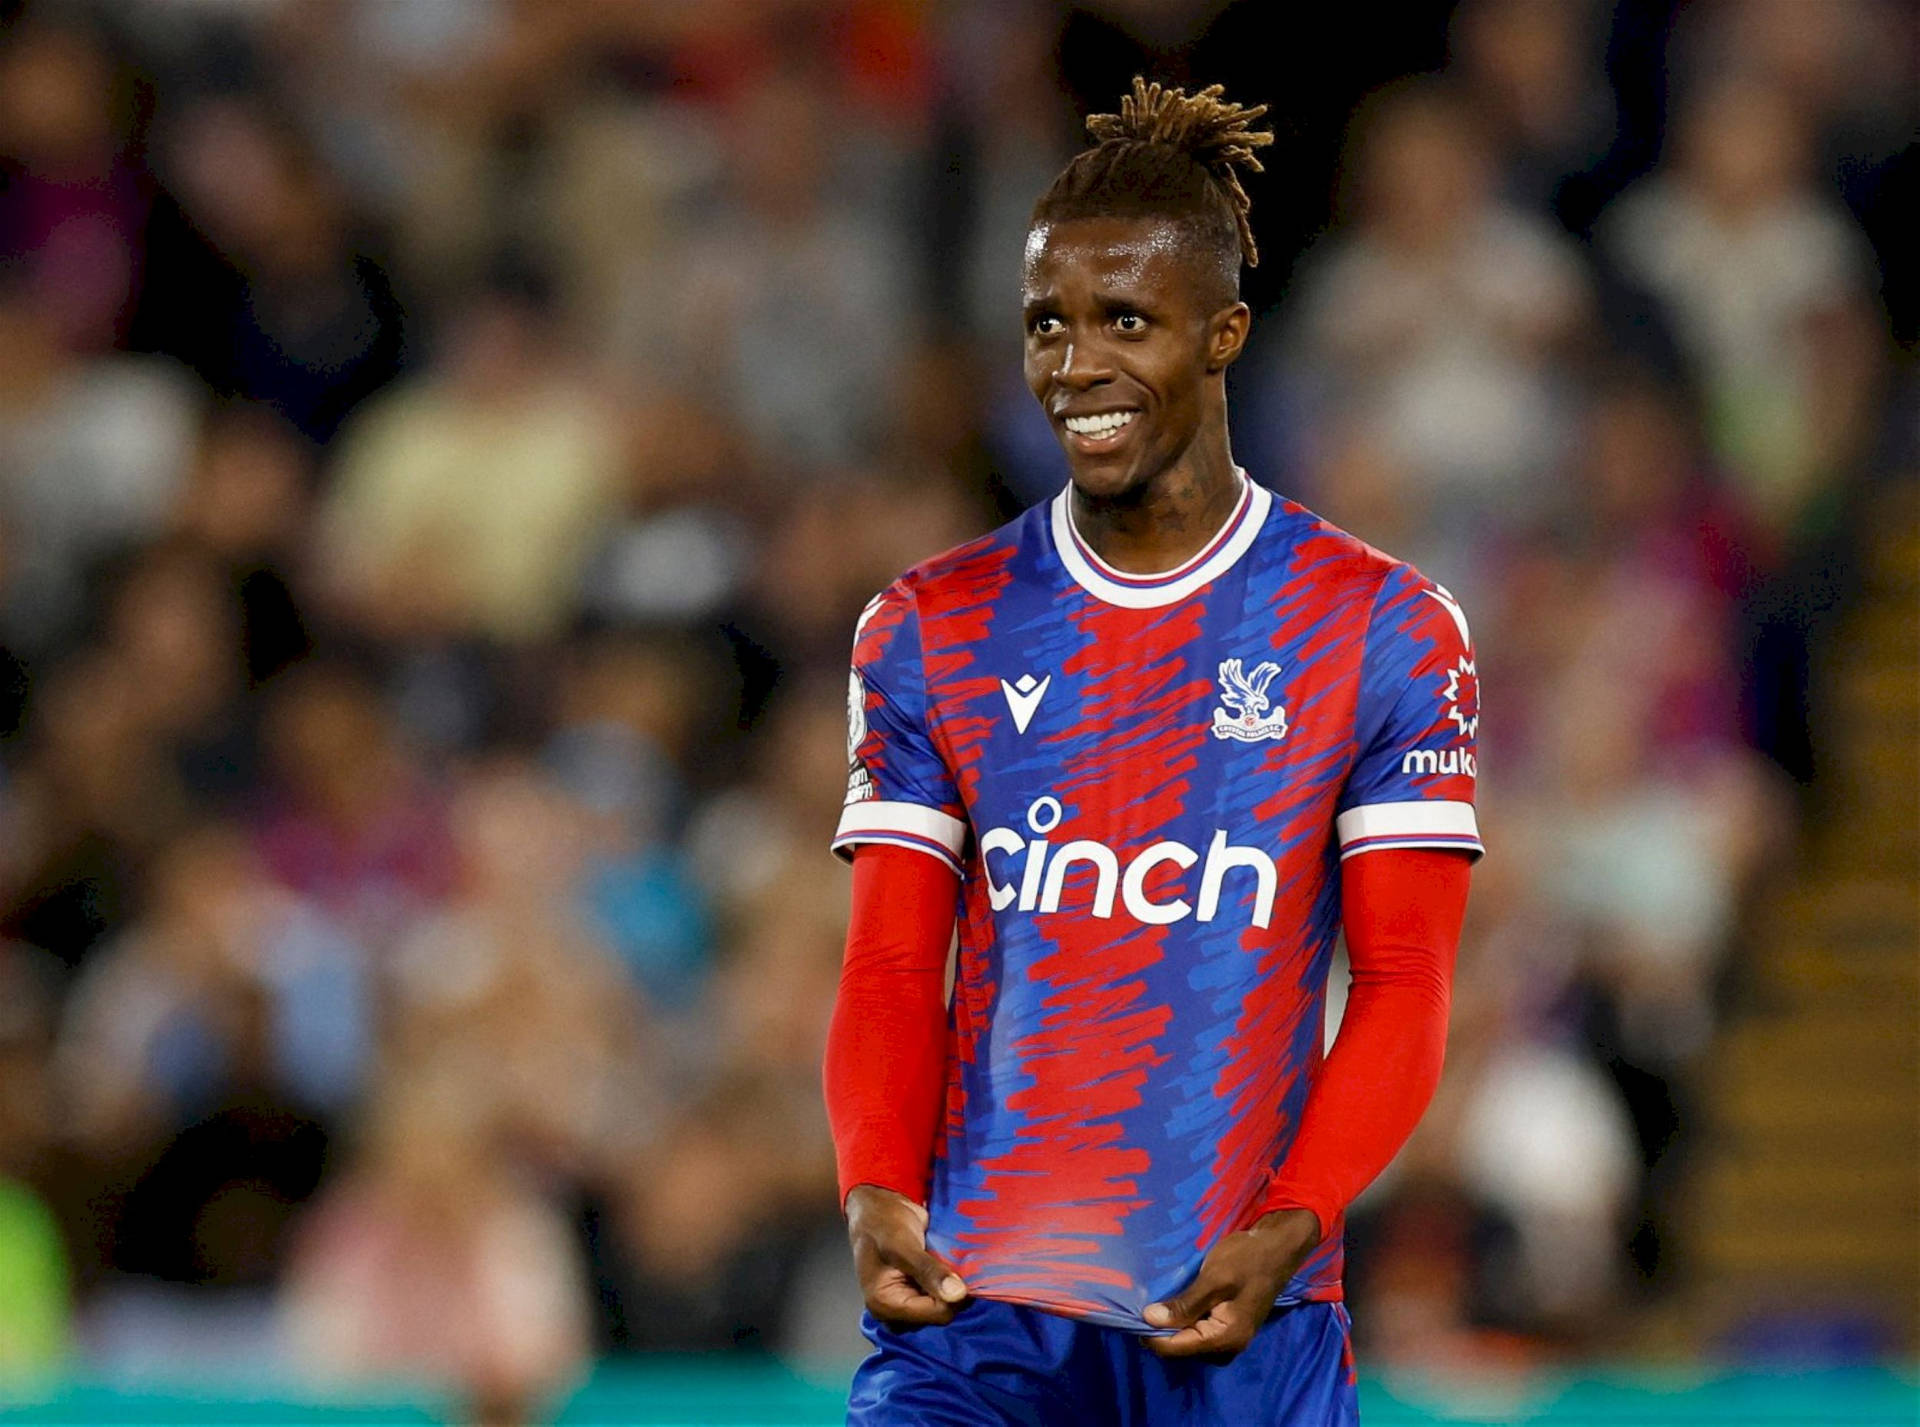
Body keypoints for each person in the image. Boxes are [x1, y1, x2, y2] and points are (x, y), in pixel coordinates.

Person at [822, 80, 1482, 1425]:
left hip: (1239, 1323)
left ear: (1225, 332)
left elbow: (1406, 982)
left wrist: (1295, 1219)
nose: (1077, 364)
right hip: (979, 1326)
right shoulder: (928, 626)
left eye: (1127, 320)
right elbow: (894, 962)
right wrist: (874, 1181)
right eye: (1047, 324)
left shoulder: (1383, 630)